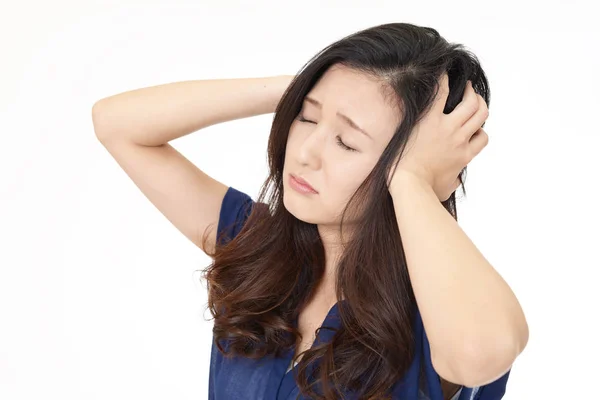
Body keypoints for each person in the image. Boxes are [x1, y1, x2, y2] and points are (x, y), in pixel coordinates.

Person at [92, 22, 528, 400]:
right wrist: (300, 89)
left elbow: (479, 355)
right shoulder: (258, 248)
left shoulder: (440, 311)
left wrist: (413, 181)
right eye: (307, 118)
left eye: (347, 142)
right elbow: (117, 124)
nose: (305, 152)